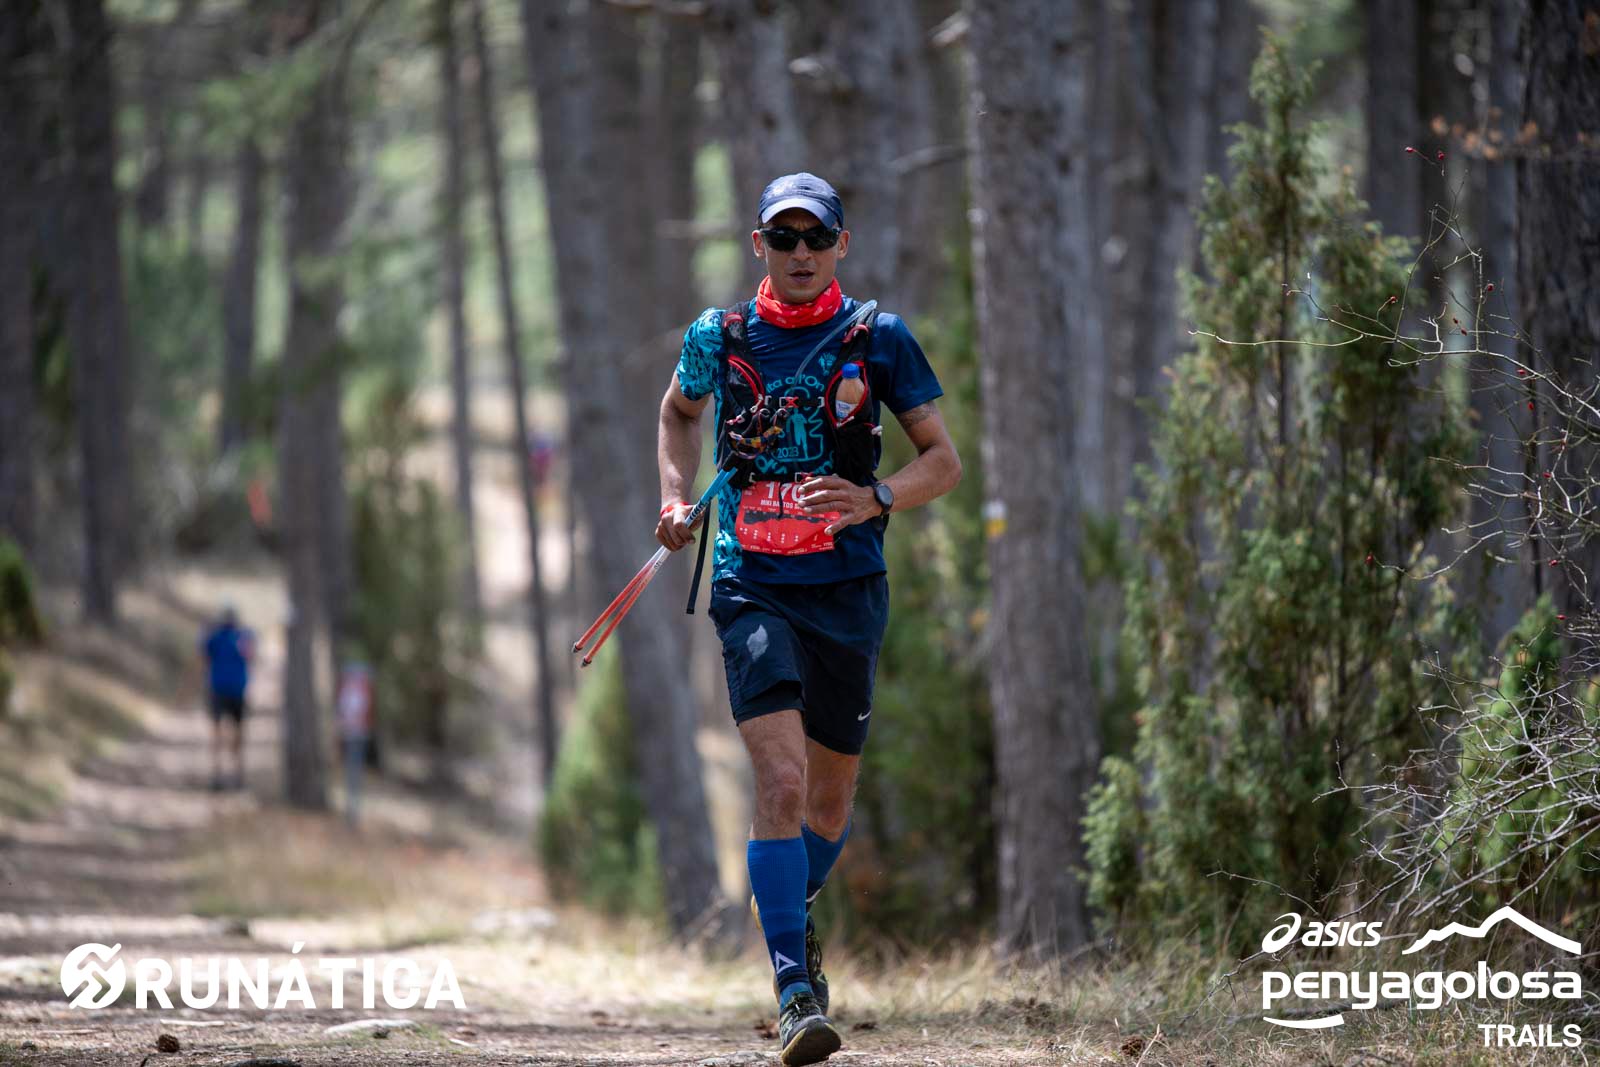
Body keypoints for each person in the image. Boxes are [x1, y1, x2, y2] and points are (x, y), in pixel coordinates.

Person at [657, 173, 962, 1066]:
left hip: (847, 589)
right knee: (782, 783)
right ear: (758, 243)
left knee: (827, 802)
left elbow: (942, 461)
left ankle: (791, 903)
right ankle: (794, 990)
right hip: (750, 581)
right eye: (783, 237)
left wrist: (877, 496)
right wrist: (675, 496)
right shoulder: (718, 337)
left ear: (840, 245)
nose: (799, 253)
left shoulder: (879, 339)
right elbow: (677, 412)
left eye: (815, 237)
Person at [199, 605, 254, 791]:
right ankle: (234, 775)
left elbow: (203, 655)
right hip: (235, 690)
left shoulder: (216, 637)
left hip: (221, 689)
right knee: (236, 733)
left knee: (219, 732)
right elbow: (251, 657)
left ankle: (221, 774)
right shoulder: (242, 636)